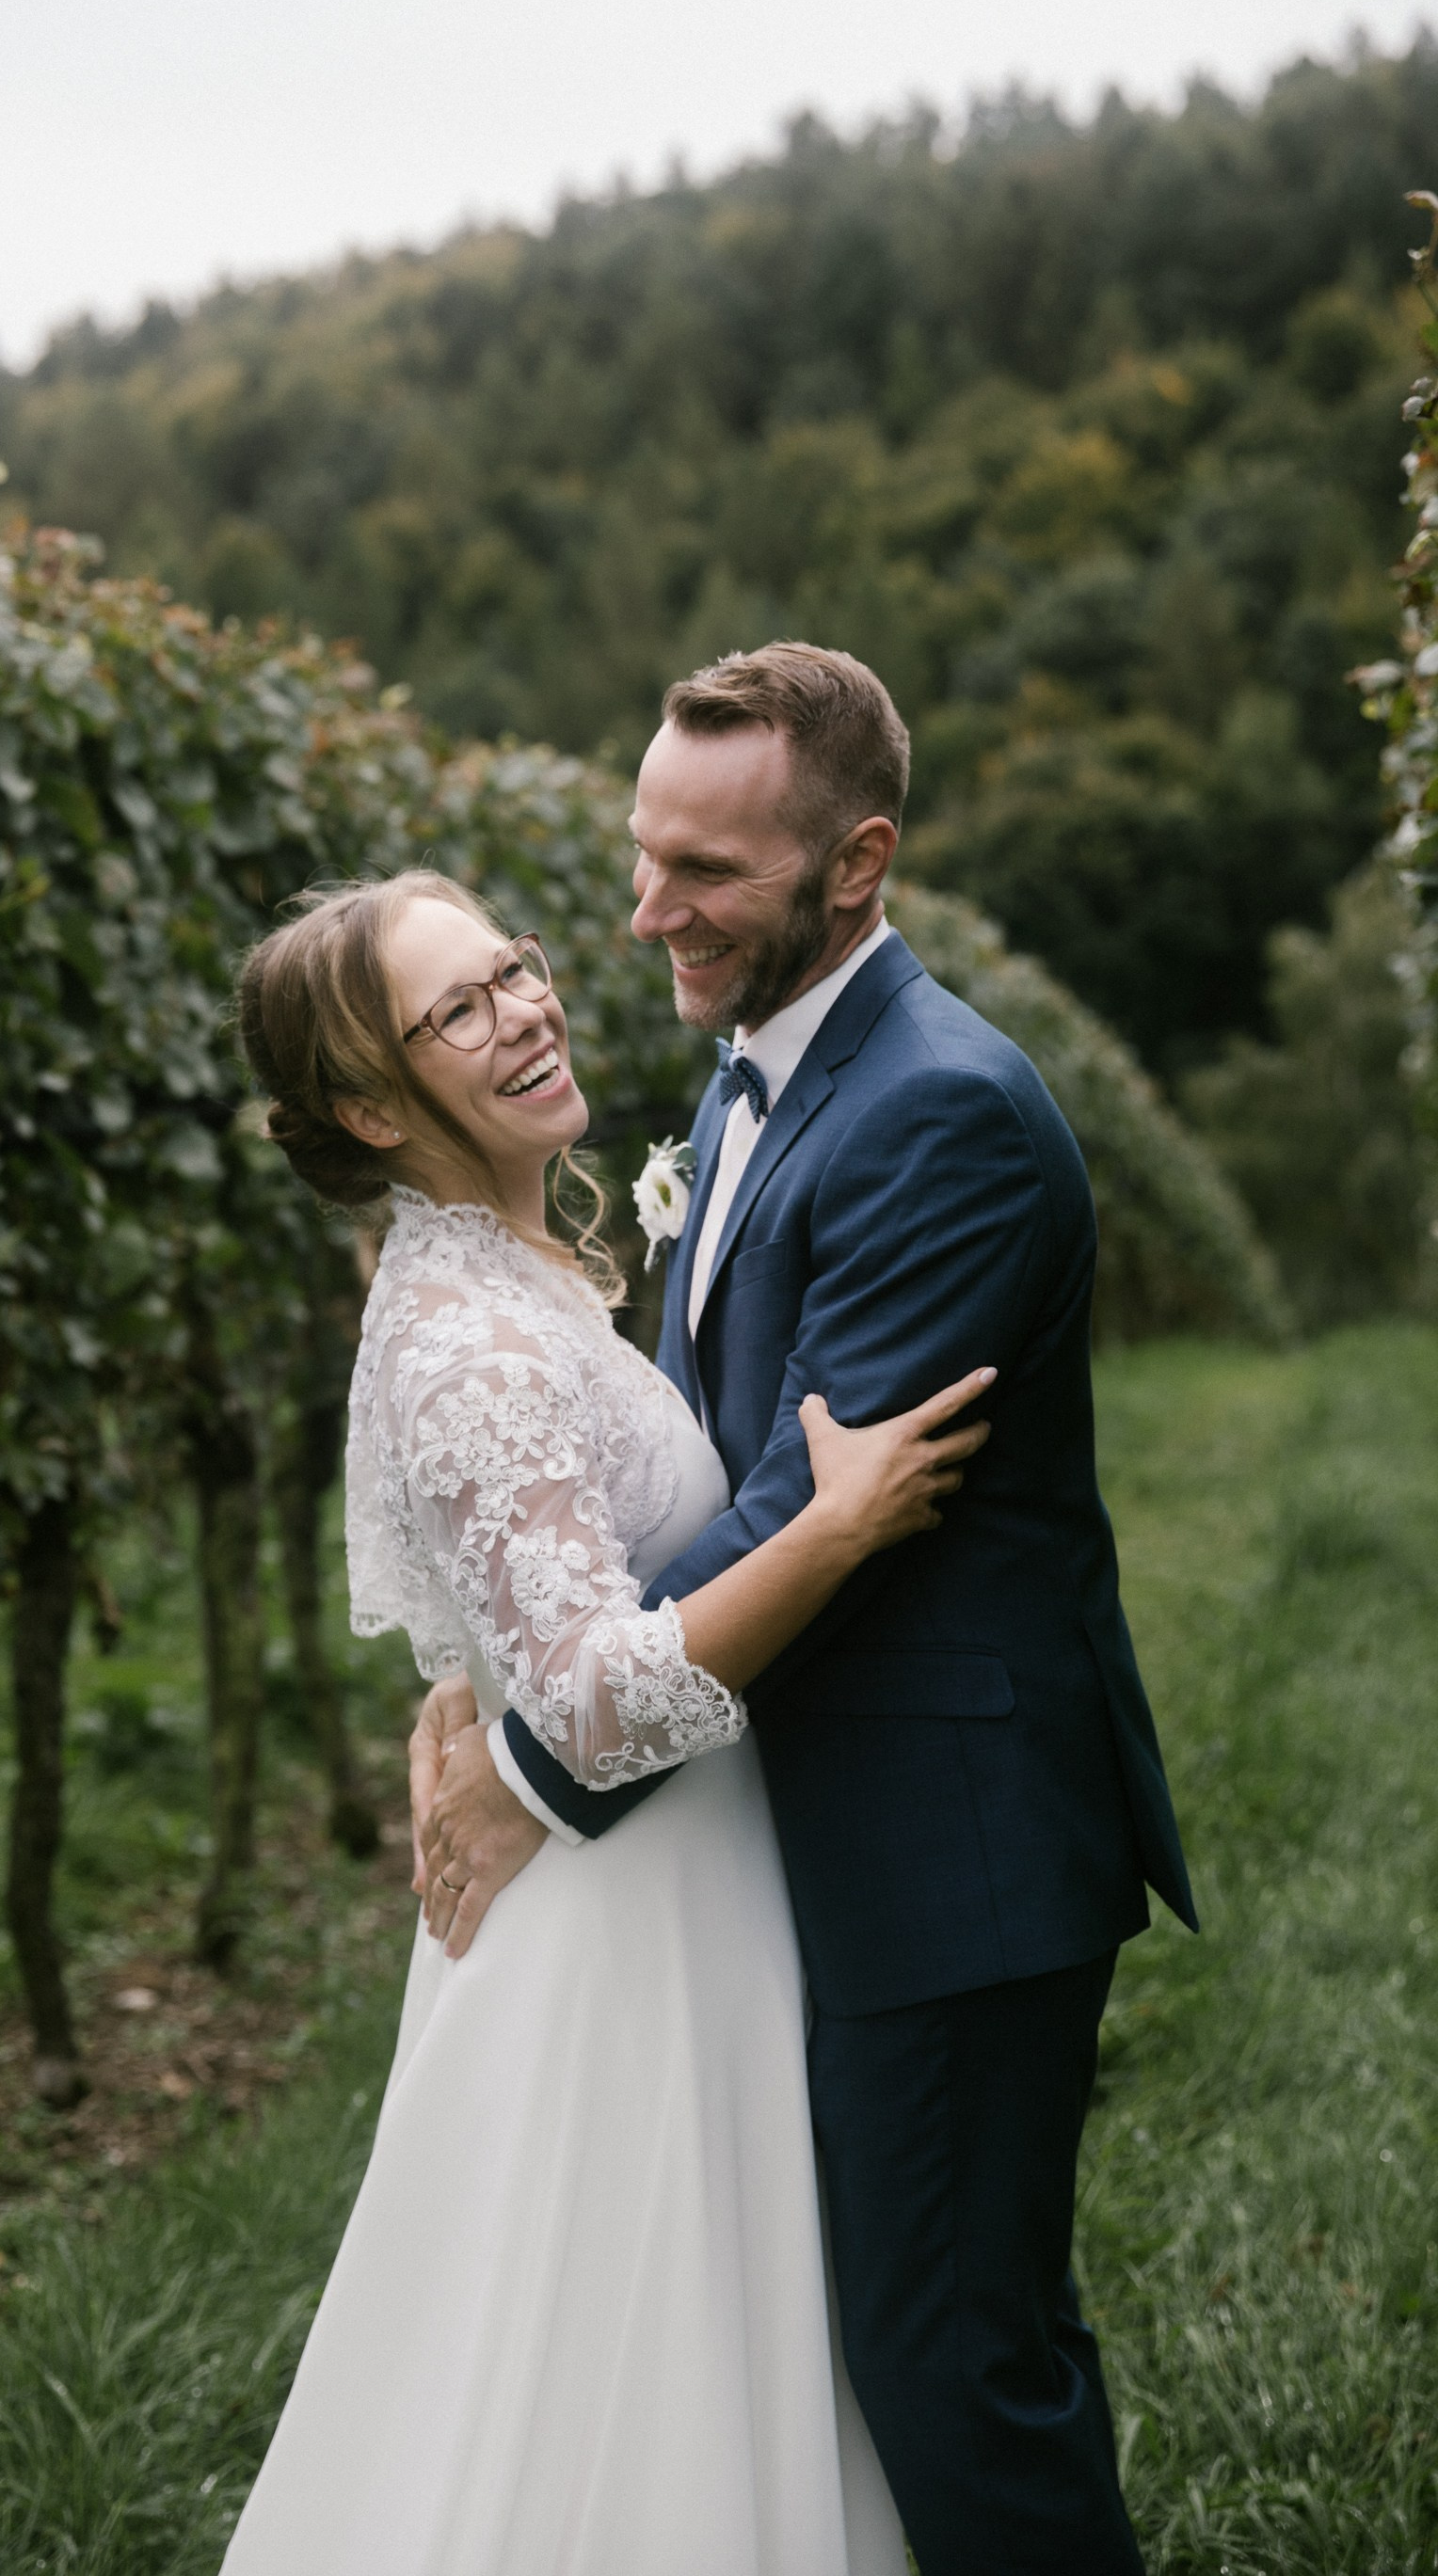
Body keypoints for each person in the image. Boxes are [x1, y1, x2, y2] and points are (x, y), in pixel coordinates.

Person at [420, 644, 1197, 2576]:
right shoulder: (757, 1066)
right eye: (642, 854)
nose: (646, 911)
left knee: (954, 2363)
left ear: (858, 863)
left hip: (950, 1847)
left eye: (707, 871)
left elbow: (800, 1506)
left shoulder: (941, 1113)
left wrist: (551, 1742)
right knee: (924, 2337)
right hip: (833, 1817)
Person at [221, 865, 997, 2574]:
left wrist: (468, 1689)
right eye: (459, 1010)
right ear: (373, 1107)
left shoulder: (499, 1273)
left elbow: (519, 1582)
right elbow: (590, 1697)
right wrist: (837, 1527)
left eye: (513, 966)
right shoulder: (469, 1345)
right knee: (633, 2390)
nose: (526, 1010)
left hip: (666, 1888)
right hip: (627, 1927)